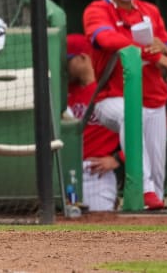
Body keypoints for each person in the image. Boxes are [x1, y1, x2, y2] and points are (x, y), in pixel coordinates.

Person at [83, 0, 167, 211]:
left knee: (158, 175)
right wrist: (152, 53)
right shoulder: (97, 10)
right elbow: (106, 39)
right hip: (111, 97)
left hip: (154, 99)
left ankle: (151, 213)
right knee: (128, 113)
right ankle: (143, 189)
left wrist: (164, 51)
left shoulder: (150, 11)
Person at [66, 34, 122, 212]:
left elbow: (140, 132)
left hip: (95, 173)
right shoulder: (62, 91)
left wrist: (118, 159)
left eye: (68, 61)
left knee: (98, 225)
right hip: (64, 172)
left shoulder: (109, 92)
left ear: (82, 58)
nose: (64, 67)